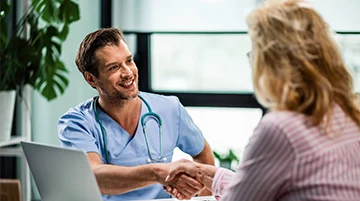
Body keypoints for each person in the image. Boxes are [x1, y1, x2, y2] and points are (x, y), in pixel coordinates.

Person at [165, 0, 360, 200]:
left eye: (255, 54)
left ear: (273, 62)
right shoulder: (348, 114)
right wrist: (205, 174)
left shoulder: (282, 129)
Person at [57, 27, 215, 200]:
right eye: (114, 67)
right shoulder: (76, 122)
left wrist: (202, 197)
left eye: (129, 61)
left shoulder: (169, 108)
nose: (128, 73)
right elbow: (92, 177)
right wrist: (157, 172)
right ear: (91, 79)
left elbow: (202, 154)